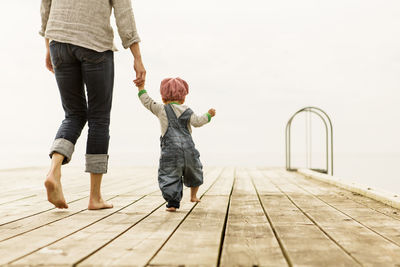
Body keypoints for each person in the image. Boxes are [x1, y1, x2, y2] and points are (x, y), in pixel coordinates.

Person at [39, 0, 146, 210]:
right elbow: (124, 13)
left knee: (73, 115)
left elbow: (45, 5)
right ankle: (95, 197)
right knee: (99, 119)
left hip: (58, 42)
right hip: (94, 43)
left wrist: (48, 45)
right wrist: (137, 57)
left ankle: (54, 170)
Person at [135, 77, 216, 211]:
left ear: (163, 97)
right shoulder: (187, 110)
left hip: (170, 151)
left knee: (170, 175)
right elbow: (197, 122)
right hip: (188, 150)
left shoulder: (161, 109)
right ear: (183, 98)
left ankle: (172, 203)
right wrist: (208, 115)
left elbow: (147, 101)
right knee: (194, 171)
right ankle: (194, 196)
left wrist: (141, 87)